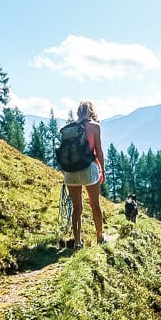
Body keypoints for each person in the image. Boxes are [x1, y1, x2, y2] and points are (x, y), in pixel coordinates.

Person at [63, 101, 105, 248]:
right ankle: (100, 238)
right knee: (95, 204)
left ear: (78, 111)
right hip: (88, 168)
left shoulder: (69, 128)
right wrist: (102, 170)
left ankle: (77, 242)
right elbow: (98, 151)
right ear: (91, 111)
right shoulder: (95, 126)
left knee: (77, 207)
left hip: (70, 171)